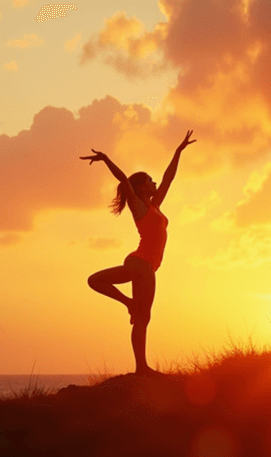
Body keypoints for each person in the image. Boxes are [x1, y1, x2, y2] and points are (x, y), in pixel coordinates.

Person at [80, 130, 196, 376]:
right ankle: (140, 358)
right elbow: (123, 180)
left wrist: (178, 152)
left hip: (146, 266)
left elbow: (168, 179)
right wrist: (106, 159)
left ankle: (140, 365)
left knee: (142, 317)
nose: (154, 183)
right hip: (141, 264)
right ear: (142, 186)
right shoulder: (140, 207)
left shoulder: (154, 206)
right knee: (104, 287)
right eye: (150, 181)